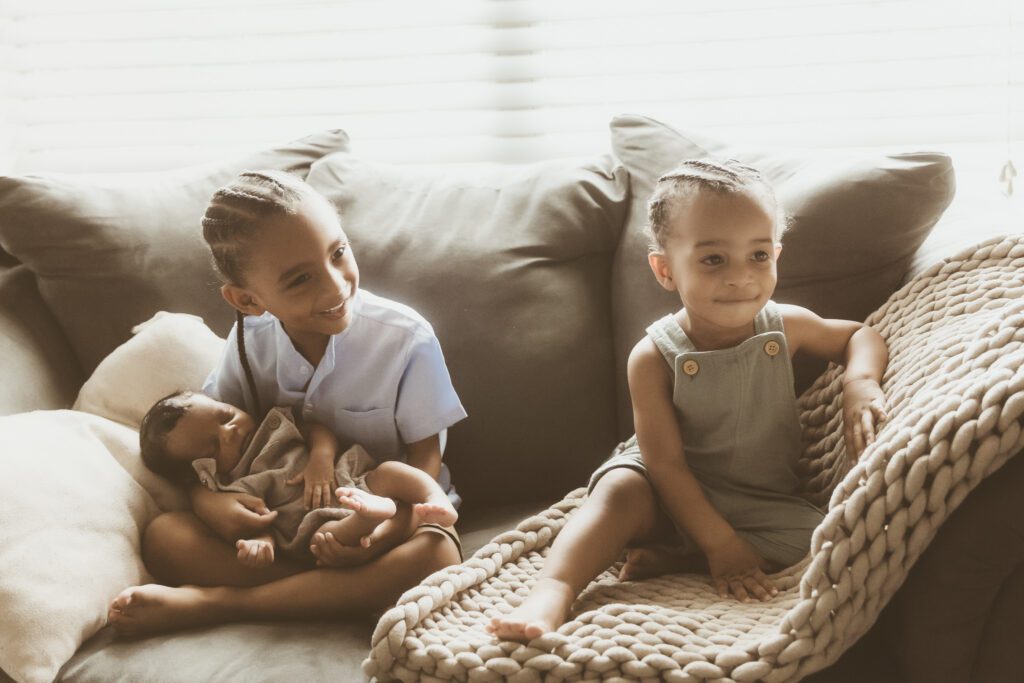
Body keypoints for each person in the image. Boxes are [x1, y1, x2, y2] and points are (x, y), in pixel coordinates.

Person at [489, 158, 889, 642]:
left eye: (758, 256)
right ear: (665, 270)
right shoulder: (655, 356)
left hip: (755, 498)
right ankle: (552, 592)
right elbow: (665, 464)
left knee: (826, 539)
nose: (740, 277)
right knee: (616, 493)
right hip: (661, 487)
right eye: (714, 259)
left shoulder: (786, 326)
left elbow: (859, 337)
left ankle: (676, 556)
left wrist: (860, 383)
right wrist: (720, 543)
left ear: (777, 255)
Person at [108, 170, 467, 636]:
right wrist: (207, 503)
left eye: (339, 253)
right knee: (164, 538)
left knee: (436, 552)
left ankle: (224, 604)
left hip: (387, 519)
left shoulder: (405, 338)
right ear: (248, 300)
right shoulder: (248, 341)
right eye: (300, 279)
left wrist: (389, 530)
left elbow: (424, 459)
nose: (336, 286)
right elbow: (212, 440)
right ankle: (332, 594)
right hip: (284, 530)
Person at [138, 390, 458, 567]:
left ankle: (435, 499)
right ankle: (368, 517)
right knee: (329, 538)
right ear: (202, 471)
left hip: (349, 478)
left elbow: (317, 430)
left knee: (391, 472)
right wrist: (257, 544)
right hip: (311, 520)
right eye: (214, 444)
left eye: (225, 416)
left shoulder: (272, 424)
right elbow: (260, 523)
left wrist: (321, 456)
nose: (231, 430)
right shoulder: (229, 487)